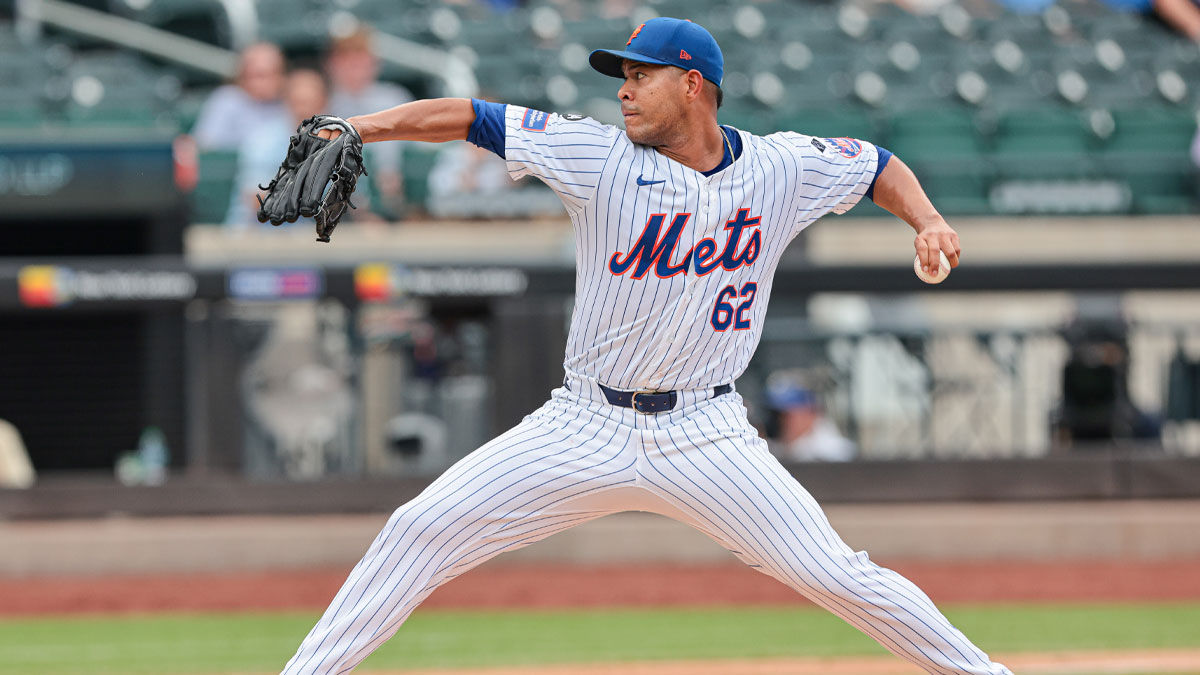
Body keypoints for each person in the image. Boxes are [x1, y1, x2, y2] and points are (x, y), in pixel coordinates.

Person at [282, 17, 1009, 675]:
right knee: (420, 527)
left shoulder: (780, 167)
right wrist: (360, 127)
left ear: (693, 85)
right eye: (622, 78)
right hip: (585, 423)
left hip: (707, 432)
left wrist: (929, 218)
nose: (624, 93)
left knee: (837, 572)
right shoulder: (596, 154)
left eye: (639, 76)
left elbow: (876, 162)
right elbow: (472, 116)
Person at [325, 26, 414, 218]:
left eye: (360, 58)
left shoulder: (394, 98)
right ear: (333, 64)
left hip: (394, 195)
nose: (354, 67)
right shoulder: (324, 103)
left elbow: (413, 151)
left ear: (374, 62)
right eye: (346, 59)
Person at [225, 69, 329, 227]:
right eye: (297, 102)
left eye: (310, 103)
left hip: (314, 236)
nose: (303, 111)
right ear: (286, 103)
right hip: (257, 233)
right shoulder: (264, 140)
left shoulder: (338, 141)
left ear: (323, 103)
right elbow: (256, 200)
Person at [191, 42, 287, 151]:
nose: (256, 82)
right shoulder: (227, 100)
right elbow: (204, 146)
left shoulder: (289, 103)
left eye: (274, 74)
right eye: (253, 75)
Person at [764, 378, 856, 462]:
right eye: (775, 416)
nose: (780, 421)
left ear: (808, 413)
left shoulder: (833, 450)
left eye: (785, 415)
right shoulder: (773, 446)